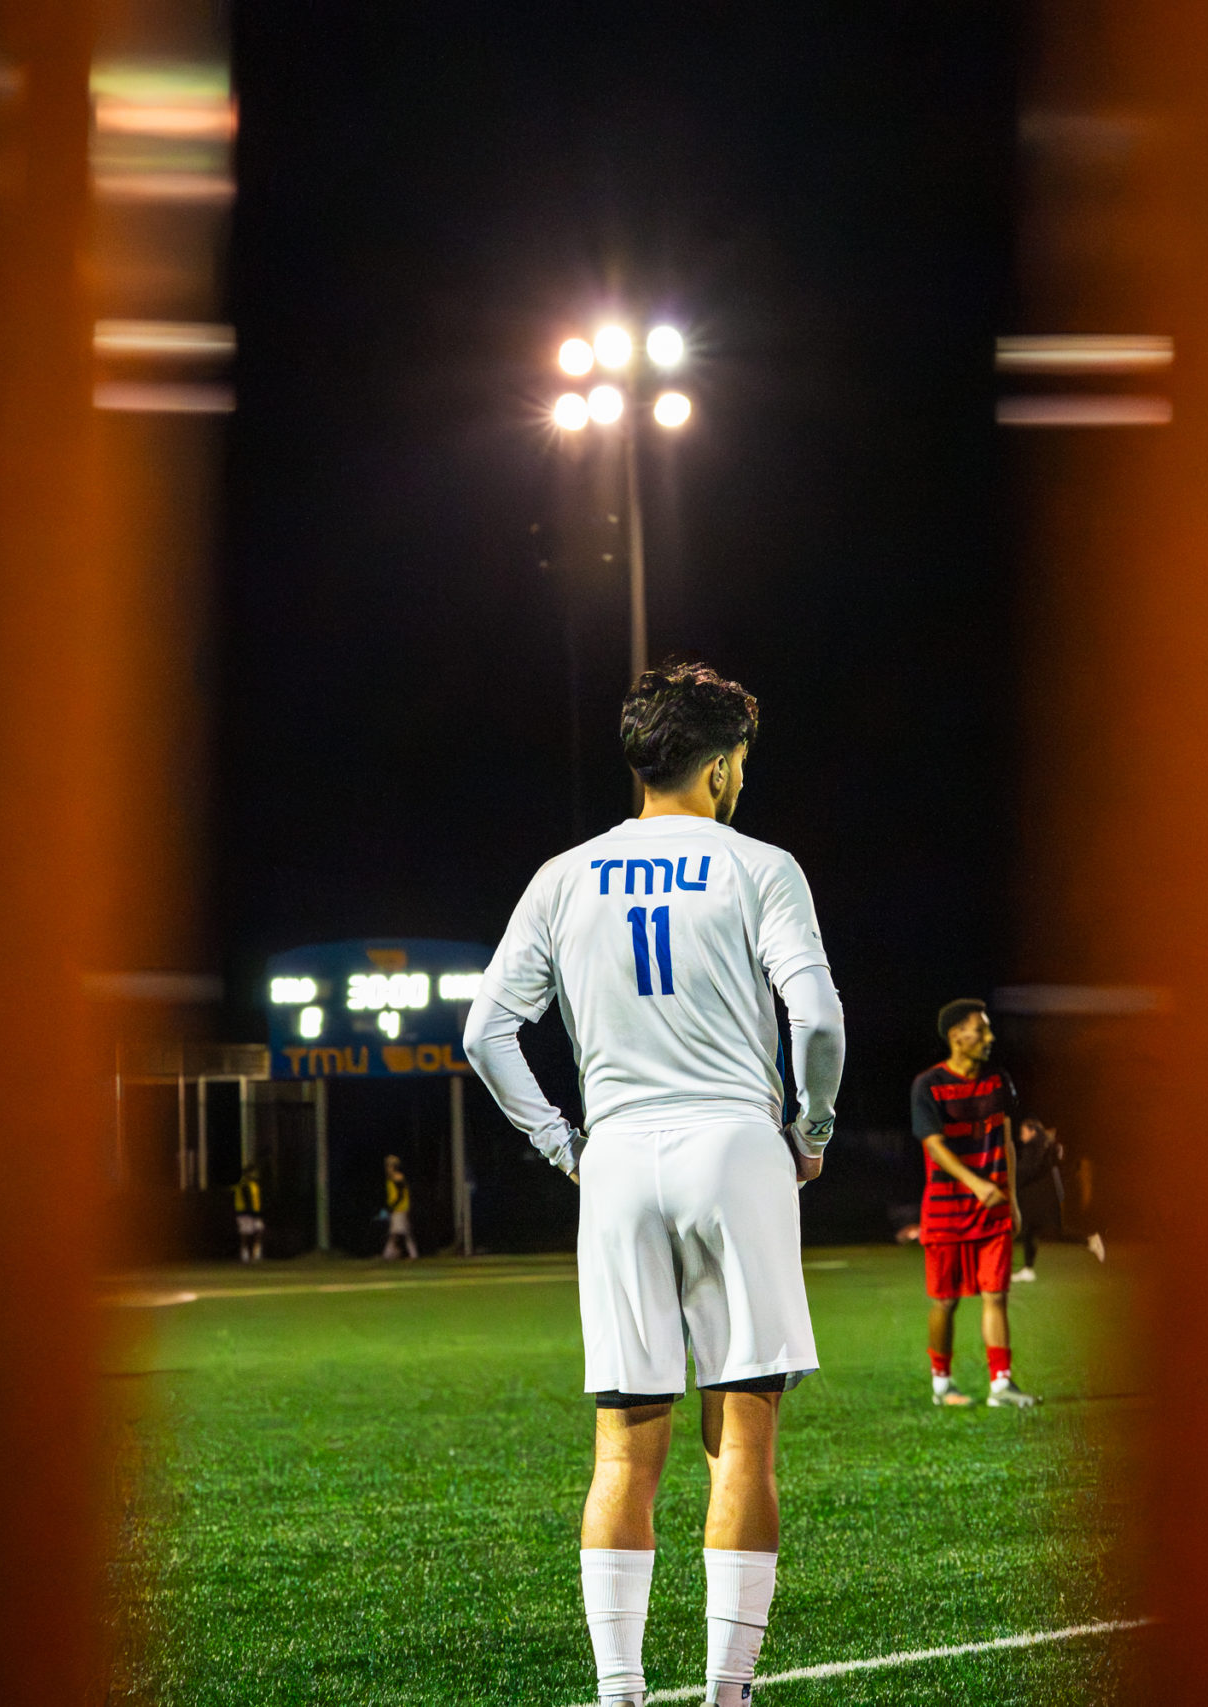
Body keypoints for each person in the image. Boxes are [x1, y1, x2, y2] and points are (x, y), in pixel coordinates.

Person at [462, 662, 845, 1707]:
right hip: (735, 1148)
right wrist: (808, 1131)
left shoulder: (563, 875)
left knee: (624, 1447)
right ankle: (727, 1694)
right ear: (721, 767)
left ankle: (620, 1691)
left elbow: (485, 1031)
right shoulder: (757, 865)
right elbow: (816, 1020)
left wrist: (558, 1143)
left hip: (619, 1157)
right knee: (743, 1441)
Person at [913, 999, 1040, 1407]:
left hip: (994, 1211)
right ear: (956, 1036)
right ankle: (941, 1385)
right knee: (944, 1302)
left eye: (988, 1030)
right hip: (946, 1210)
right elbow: (934, 1146)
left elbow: (1006, 1141)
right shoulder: (928, 1084)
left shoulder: (998, 1080)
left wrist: (1012, 1200)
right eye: (981, 1030)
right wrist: (975, 1184)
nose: (989, 1038)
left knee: (996, 1295)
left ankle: (1001, 1385)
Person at [1010, 1116, 1065, 1282]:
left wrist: (1011, 1176)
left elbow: (1028, 1170)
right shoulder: (1043, 1146)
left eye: (1024, 1132)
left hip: (1036, 1198)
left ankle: (1088, 1240)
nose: (1021, 1136)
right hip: (1037, 1197)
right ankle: (1027, 1269)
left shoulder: (1035, 1147)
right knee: (1029, 1231)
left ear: (1032, 1131)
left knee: (1036, 1230)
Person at [380, 1154, 418, 1260]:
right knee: (402, 1233)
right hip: (399, 1208)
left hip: (400, 1208)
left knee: (396, 1233)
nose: (387, 1168)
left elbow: (401, 1194)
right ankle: (406, 1254)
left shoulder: (397, 1177)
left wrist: (393, 1206)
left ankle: (389, 1255)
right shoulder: (392, 1178)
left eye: (389, 1165)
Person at [233, 1165, 266, 1264]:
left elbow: (256, 1201)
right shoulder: (243, 1185)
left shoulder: (254, 1185)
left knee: (259, 1230)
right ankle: (245, 1254)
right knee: (245, 1234)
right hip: (245, 1213)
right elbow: (248, 1201)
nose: (254, 1175)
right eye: (252, 1173)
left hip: (254, 1213)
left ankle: (256, 1253)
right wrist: (253, 1213)